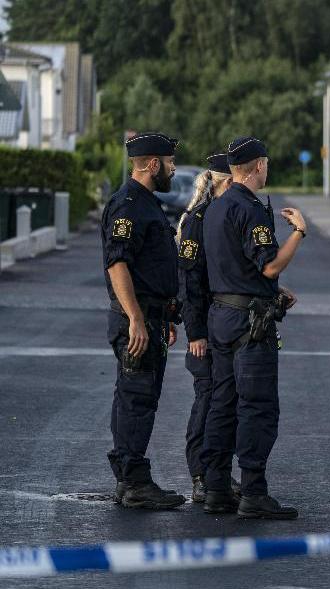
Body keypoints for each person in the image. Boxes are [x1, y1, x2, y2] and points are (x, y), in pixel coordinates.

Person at [198, 136, 304, 519]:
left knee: (222, 404)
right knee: (257, 406)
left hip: (221, 316)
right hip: (249, 325)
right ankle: (254, 491)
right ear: (258, 166)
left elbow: (233, 267)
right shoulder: (250, 209)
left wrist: (270, 291)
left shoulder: (215, 208)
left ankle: (215, 488)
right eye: (266, 163)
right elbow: (269, 265)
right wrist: (299, 232)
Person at [102, 131, 185, 510]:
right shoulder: (129, 205)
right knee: (136, 398)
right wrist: (136, 318)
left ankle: (129, 478)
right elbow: (117, 263)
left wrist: (164, 316)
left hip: (152, 317)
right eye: (169, 162)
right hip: (135, 320)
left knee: (137, 397)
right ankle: (134, 482)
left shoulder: (146, 203)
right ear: (153, 164)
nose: (173, 168)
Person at [176, 152, 239, 503]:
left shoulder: (222, 214)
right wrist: (195, 333)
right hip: (205, 330)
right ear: (226, 182)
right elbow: (189, 281)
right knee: (208, 398)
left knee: (224, 399)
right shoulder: (198, 219)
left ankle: (218, 472)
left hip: (223, 323)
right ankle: (200, 474)